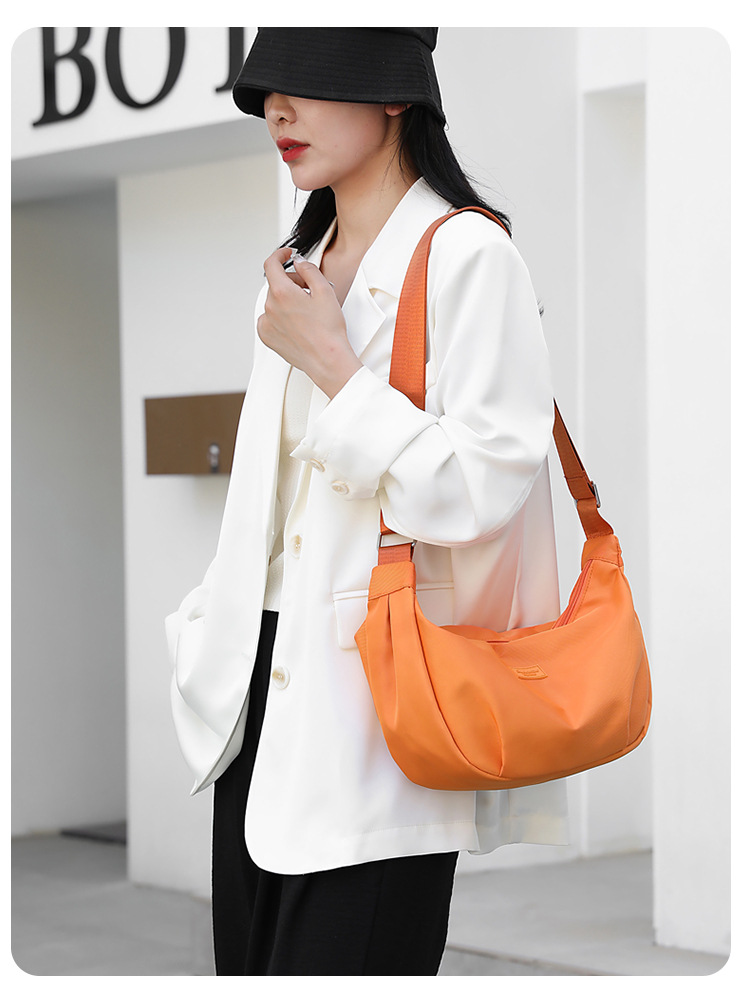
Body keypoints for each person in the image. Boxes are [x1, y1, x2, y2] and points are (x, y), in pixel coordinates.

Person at [166, 27, 568, 977]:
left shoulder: (469, 255)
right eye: (264, 93)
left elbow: (479, 491)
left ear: (394, 93)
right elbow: (272, 500)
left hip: (384, 711)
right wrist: (207, 622)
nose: (277, 110)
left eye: (305, 84)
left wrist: (339, 371)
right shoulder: (293, 268)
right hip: (257, 696)